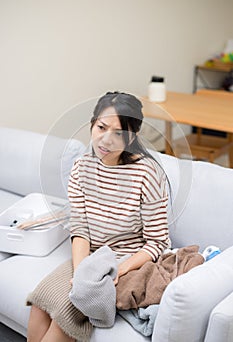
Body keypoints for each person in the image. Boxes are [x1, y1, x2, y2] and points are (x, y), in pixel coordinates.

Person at [27, 91, 171, 342]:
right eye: (102, 127)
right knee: (40, 302)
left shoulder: (147, 173)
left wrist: (121, 269)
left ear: (132, 136)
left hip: (128, 257)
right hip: (92, 255)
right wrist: (82, 270)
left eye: (119, 133)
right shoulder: (82, 167)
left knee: (65, 315)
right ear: (92, 123)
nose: (106, 140)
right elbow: (80, 228)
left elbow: (158, 242)